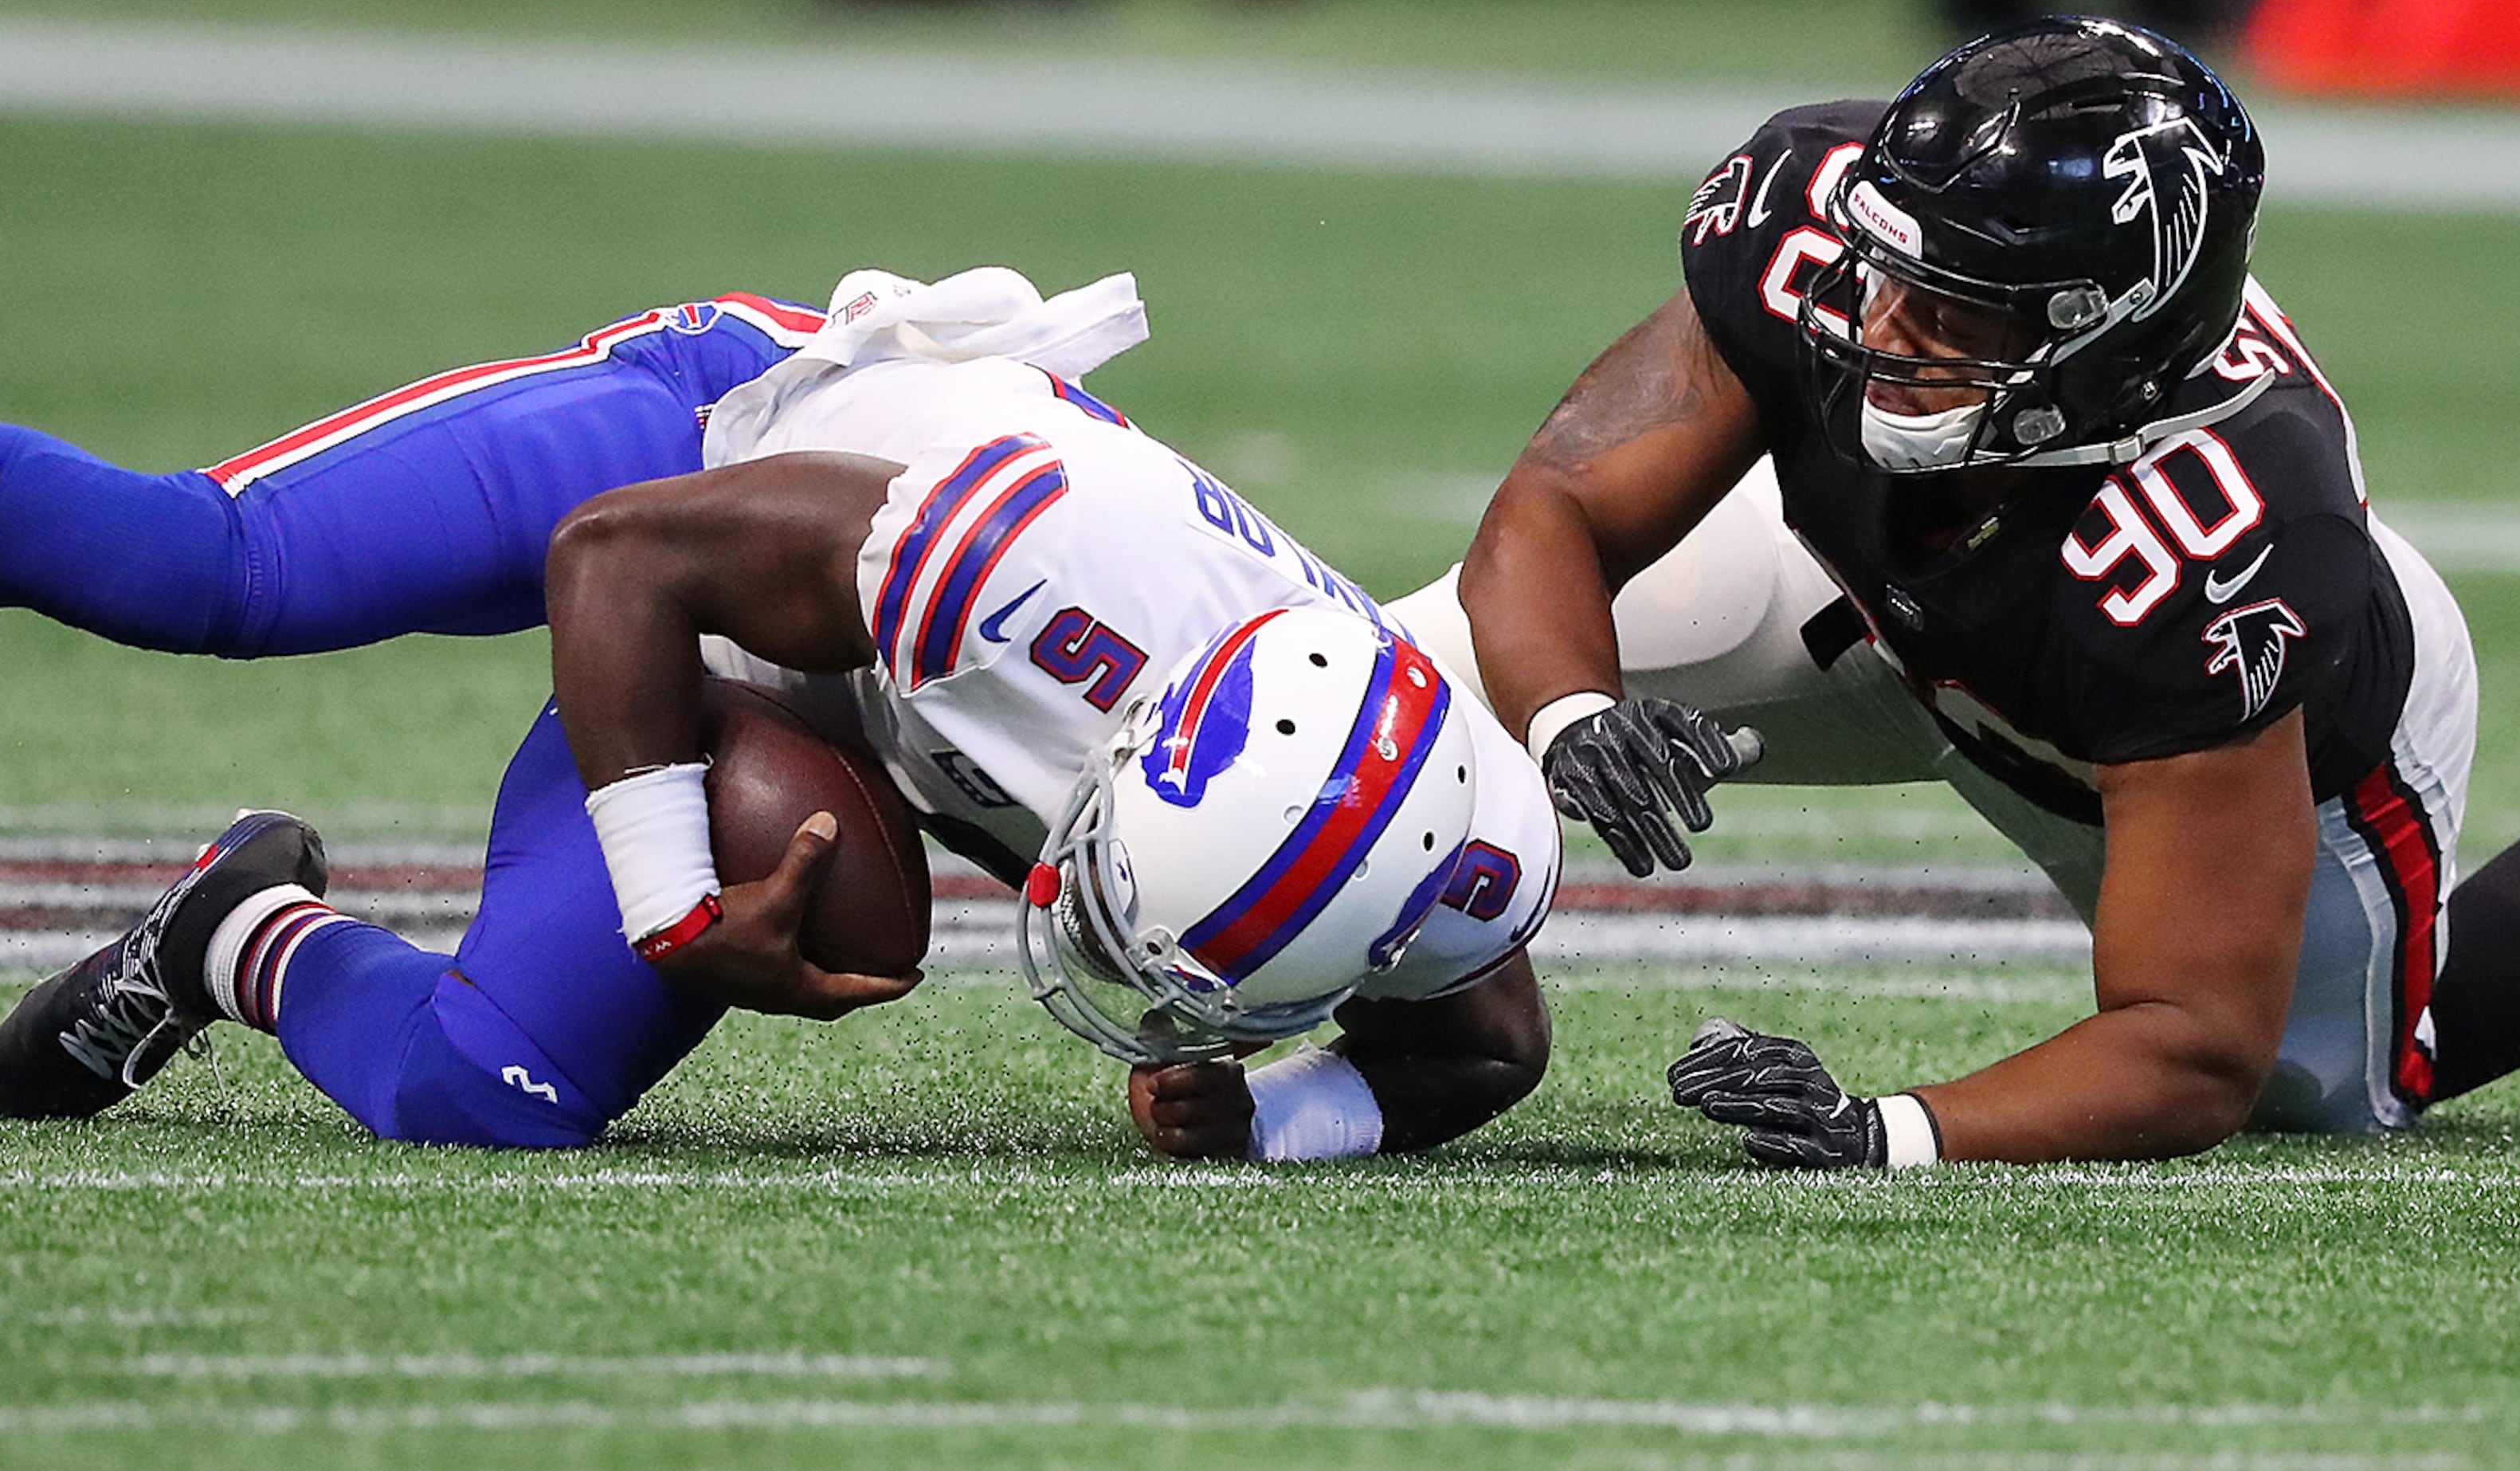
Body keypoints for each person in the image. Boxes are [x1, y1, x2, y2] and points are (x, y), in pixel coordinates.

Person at [1409, 18, 2520, 1167]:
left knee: (2338, 1079)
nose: (1884, 325)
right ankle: (1349, 1060)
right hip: (1888, 579)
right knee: (1411, 690)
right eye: (1892, 271)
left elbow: (2187, 1042)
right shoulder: (1824, 233)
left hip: (2223, 724)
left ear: (2108, 332)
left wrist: (1886, 1132)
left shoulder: (2232, 537)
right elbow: (1557, 503)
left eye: (1962, 311)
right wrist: (1561, 718)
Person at [0, 268, 1558, 1161]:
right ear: (1128, 761)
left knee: (492, 1097)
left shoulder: (1426, 827)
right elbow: (620, 557)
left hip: (837, 672)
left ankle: (226, 932)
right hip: (722, 460)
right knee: (200, 568)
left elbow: (1488, 1049)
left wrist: (1276, 1118)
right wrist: (678, 904)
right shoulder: (1021, 581)